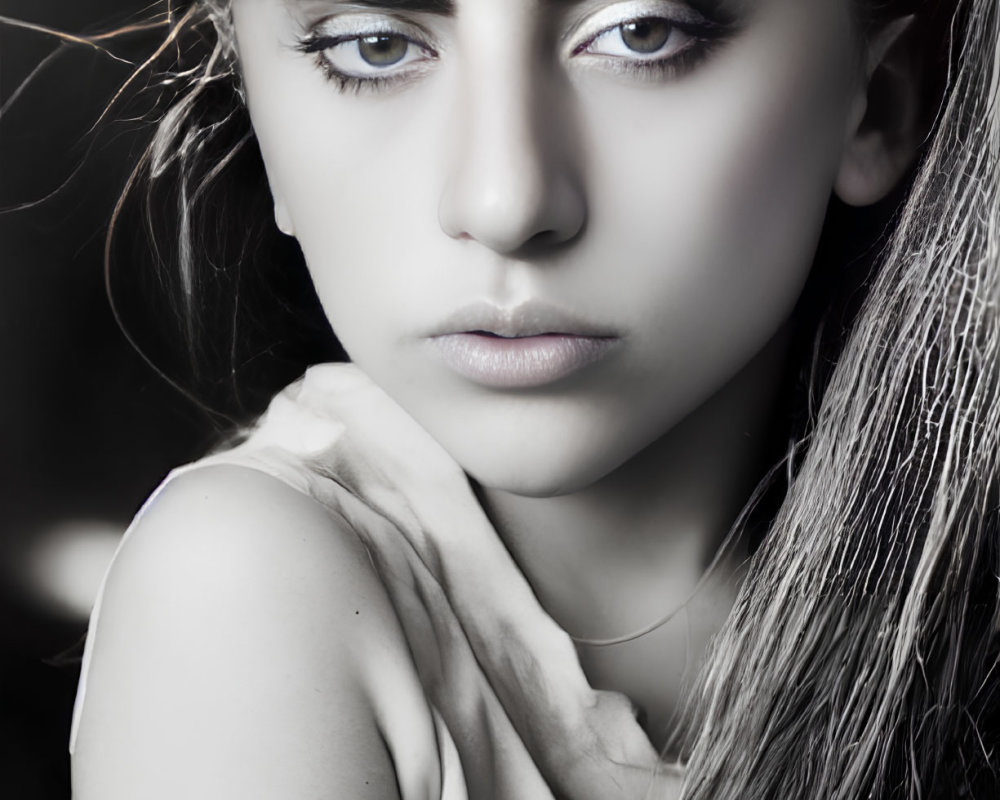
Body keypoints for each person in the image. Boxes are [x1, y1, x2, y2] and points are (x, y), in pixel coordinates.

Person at [5, 0, 996, 797]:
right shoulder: (238, 584)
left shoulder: (953, 603)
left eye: (640, 32)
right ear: (259, 114)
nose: (505, 200)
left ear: (878, 102)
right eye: (375, 45)